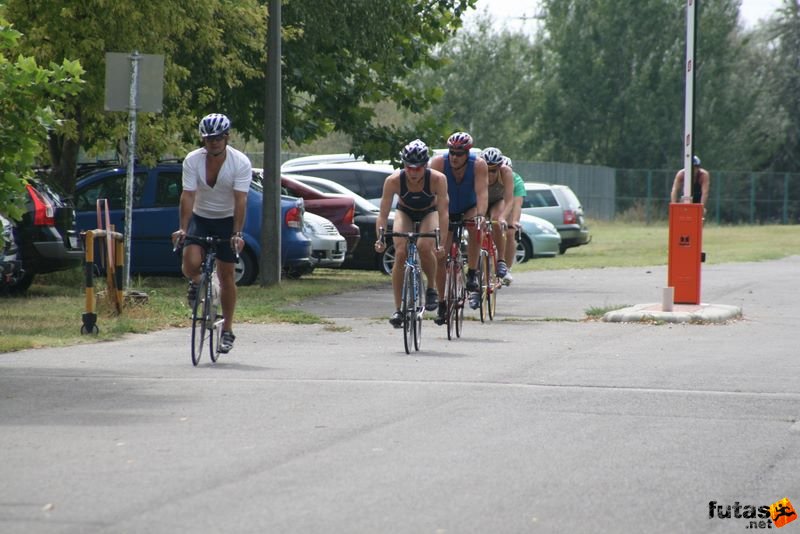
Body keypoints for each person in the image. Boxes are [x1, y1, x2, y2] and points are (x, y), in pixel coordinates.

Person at [172, 113, 252, 354]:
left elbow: (241, 200)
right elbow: (188, 195)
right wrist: (183, 228)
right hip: (201, 217)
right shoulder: (192, 160)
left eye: (218, 138)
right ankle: (200, 283)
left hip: (227, 219)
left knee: (227, 275)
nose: (213, 143)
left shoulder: (240, 163)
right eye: (208, 139)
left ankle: (227, 329)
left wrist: (237, 233)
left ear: (227, 137)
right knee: (189, 264)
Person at [374, 139, 448, 327]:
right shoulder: (392, 181)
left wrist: (442, 243)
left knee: (424, 246)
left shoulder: (438, 179)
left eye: (418, 168)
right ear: (404, 165)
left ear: (425, 166)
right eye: (409, 168)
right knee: (400, 252)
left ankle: (431, 287)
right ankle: (398, 309)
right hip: (405, 211)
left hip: (429, 212)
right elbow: (382, 214)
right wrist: (380, 238)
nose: (413, 173)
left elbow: (443, 213)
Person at [429, 131, 488, 322]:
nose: (454, 157)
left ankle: (472, 272)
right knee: (440, 254)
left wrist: (480, 215)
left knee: (475, 226)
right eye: (451, 152)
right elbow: (431, 195)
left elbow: (482, 194)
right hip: (446, 210)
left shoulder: (478, 165)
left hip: (468, 207)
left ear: (468, 153)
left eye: (459, 153)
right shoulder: (439, 163)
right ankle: (442, 303)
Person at [479, 147, 514, 281]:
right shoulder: (476, 171)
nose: (490, 174)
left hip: (496, 201)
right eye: (487, 170)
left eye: (494, 170)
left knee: (496, 221)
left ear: (500, 167)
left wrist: (503, 218)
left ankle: (501, 261)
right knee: (475, 225)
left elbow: (509, 200)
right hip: (480, 201)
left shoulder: (506, 172)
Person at [500, 156, 526, 285]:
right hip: (495, 205)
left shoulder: (516, 180)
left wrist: (514, 221)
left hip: (509, 208)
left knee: (510, 234)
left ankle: (507, 268)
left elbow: (517, 203)